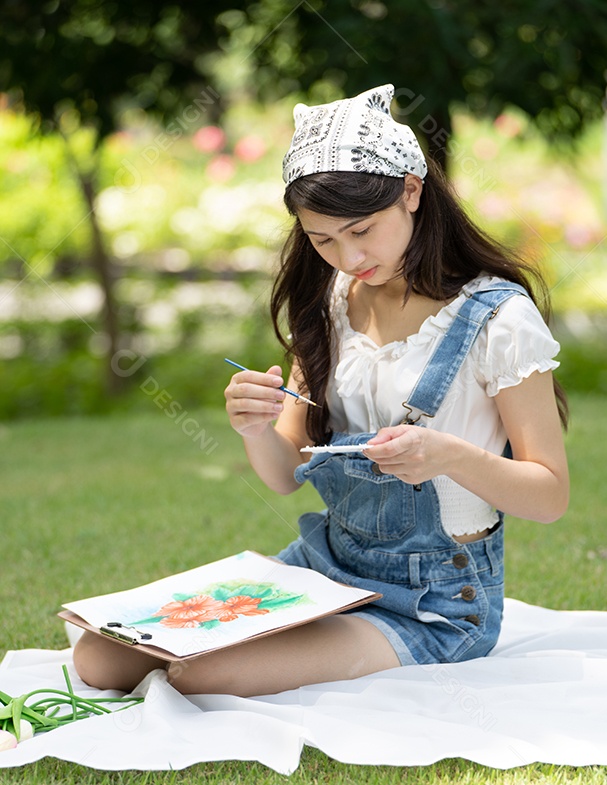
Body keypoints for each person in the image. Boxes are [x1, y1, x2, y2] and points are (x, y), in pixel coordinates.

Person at [74, 84, 569, 697]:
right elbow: (286, 472)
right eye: (322, 239)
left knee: (201, 674)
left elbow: (550, 496)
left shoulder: (498, 318)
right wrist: (255, 426)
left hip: (435, 597)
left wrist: (447, 455)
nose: (348, 256)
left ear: (412, 191)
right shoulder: (333, 305)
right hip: (328, 567)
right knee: (100, 656)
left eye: (362, 230)